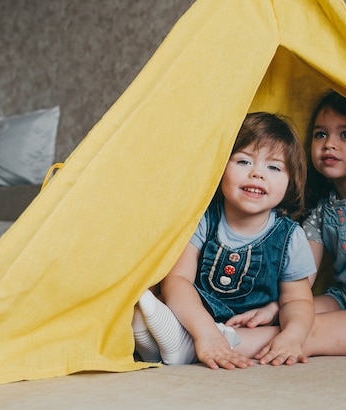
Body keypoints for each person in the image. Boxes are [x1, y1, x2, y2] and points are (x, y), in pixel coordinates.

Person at [227, 91, 346, 358]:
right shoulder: (320, 211)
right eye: (321, 134)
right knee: (293, 314)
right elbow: (302, 281)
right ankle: (208, 333)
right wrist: (274, 308)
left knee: (309, 330)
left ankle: (214, 343)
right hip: (343, 299)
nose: (329, 144)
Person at [132, 112, 316, 370]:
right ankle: (154, 344)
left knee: (287, 317)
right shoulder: (203, 219)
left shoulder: (290, 236)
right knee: (162, 294)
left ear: (290, 182)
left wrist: (292, 336)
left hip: (247, 325)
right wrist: (204, 331)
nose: (257, 174)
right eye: (243, 161)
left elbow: (297, 301)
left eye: (273, 167)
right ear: (220, 167)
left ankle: (170, 341)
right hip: (196, 316)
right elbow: (178, 279)